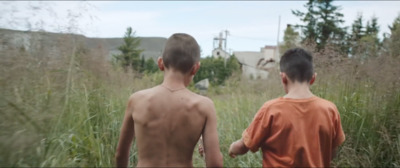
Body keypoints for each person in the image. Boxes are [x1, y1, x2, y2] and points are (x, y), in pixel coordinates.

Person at [115, 33, 223, 167]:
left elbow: (120, 153)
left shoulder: (137, 100)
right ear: (195, 68)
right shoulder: (204, 106)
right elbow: (215, 164)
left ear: (160, 63)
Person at [228, 48, 345, 167]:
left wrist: (233, 148)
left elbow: (244, 146)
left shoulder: (271, 109)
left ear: (283, 77)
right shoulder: (330, 110)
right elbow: (332, 152)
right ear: (313, 78)